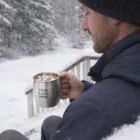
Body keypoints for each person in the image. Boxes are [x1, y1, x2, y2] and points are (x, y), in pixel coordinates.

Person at [1, 0, 140, 139]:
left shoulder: (91, 109)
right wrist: (83, 92)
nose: (83, 26)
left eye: (87, 13)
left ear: (114, 14)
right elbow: (123, 101)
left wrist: (91, 100)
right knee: (51, 122)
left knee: (8, 136)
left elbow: (103, 109)